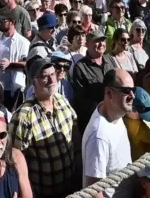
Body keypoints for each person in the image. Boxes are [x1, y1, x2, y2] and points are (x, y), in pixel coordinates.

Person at [10, 58, 77, 197]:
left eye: (52, 74)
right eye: (45, 77)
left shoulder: (63, 101)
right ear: (33, 83)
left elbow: (75, 130)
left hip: (71, 186)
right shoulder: (23, 116)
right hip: (43, 192)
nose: (51, 80)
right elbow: (15, 160)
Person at [81, 69, 134, 198]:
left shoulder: (113, 111)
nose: (132, 95)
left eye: (134, 90)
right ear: (109, 93)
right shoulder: (99, 136)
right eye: (126, 91)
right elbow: (93, 190)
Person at [72, 30, 115, 131]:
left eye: (103, 40)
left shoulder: (110, 60)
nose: (101, 44)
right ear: (87, 44)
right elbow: (82, 100)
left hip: (113, 116)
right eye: (97, 41)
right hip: (94, 120)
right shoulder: (80, 67)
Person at [0, 10, 29, 110]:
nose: (0, 23)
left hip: (13, 89)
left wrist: (10, 65)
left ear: (13, 22)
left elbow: (27, 64)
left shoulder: (23, 42)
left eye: (3, 20)